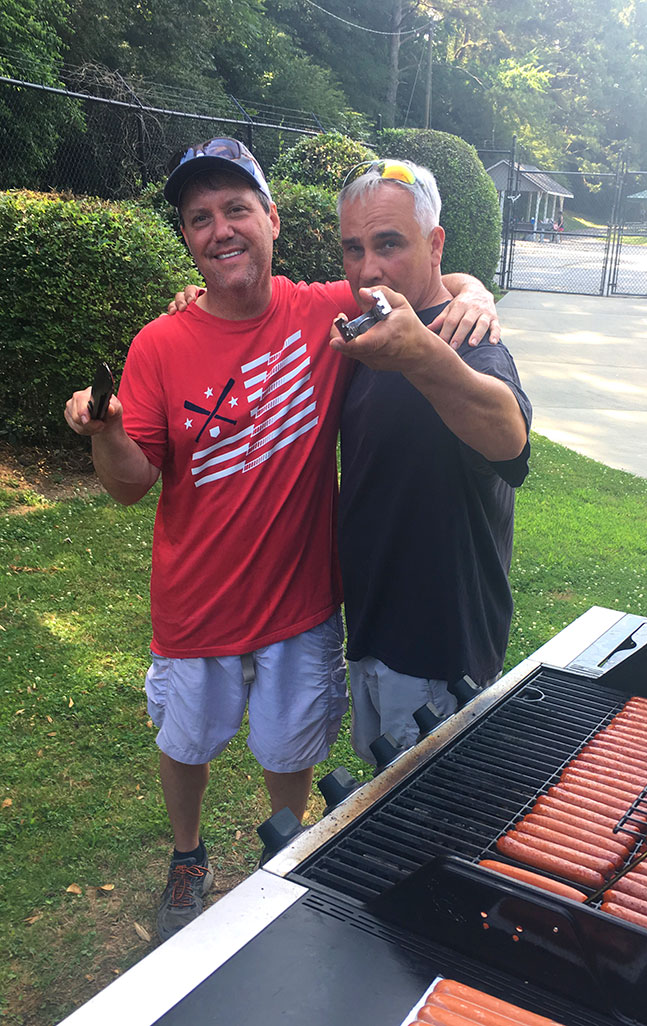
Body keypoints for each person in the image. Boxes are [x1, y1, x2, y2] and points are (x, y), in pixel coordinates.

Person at [64, 139, 497, 942]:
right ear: (189, 239)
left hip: (301, 602)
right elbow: (129, 485)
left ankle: (283, 851)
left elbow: (410, 279)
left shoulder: (321, 310)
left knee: (290, 742)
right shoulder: (159, 345)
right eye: (199, 218)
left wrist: (475, 290)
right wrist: (107, 432)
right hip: (197, 607)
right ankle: (188, 856)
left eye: (236, 209)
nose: (220, 229)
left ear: (271, 220)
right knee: (186, 741)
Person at [330, 160, 532, 763]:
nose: (369, 268)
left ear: (434, 243)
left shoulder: (467, 337)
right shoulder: (368, 328)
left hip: (437, 651)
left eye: (389, 244)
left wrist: (424, 354)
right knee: (378, 810)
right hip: (370, 633)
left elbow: (508, 437)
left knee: (427, 832)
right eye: (354, 248)